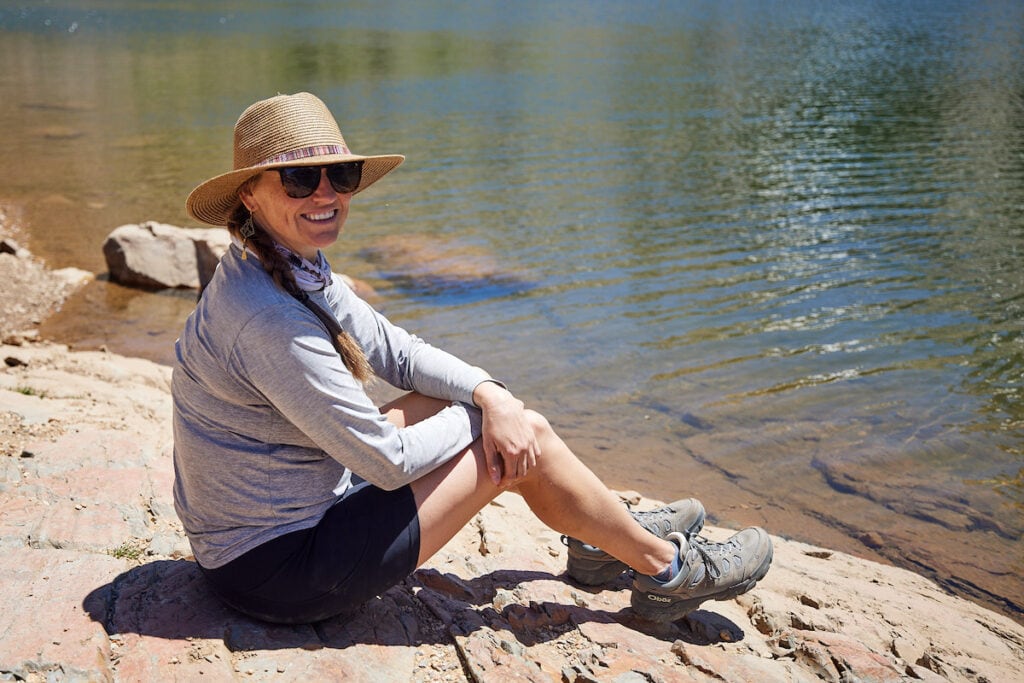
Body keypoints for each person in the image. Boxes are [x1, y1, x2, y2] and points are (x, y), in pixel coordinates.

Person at [172, 92, 772, 625]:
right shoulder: (269, 319)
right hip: (280, 572)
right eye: (299, 180)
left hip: (280, 524)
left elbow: (396, 353)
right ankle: (665, 571)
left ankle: (603, 536)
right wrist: (491, 419)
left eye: (341, 173)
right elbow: (385, 463)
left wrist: (489, 392)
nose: (325, 192)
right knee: (512, 437)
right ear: (250, 193)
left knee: (477, 404)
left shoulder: (281, 260)